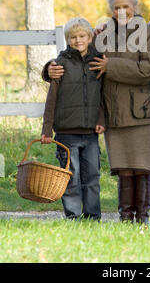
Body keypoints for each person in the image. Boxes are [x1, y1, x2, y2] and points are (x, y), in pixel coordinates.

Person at [45, 0, 150, 224]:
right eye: (117, 7)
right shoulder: (103, 33)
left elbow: (147, 70)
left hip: (139, 109)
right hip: (112, 110)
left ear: (135, 7)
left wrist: (111, 67)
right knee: (123, 166)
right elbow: (77, 53)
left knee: (141, 165)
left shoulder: (147, 32)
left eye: (126, 6)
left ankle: (142, 217)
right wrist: (47, 69)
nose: (122, 11)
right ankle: (125, 216)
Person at [41, 17, 105, 221]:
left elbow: (104, 95)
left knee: (93, 175)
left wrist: (101, 119)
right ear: (68, 40)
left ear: (90, 37)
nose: (78, 40)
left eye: (82, 36)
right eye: (73, 37)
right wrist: (46, 129)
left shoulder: (98, 62)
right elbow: (51, 98)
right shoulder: (60, 64)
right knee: (70, 175)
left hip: (90, 131)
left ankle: (93, 215)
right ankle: (73, 216)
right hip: (66, 131)